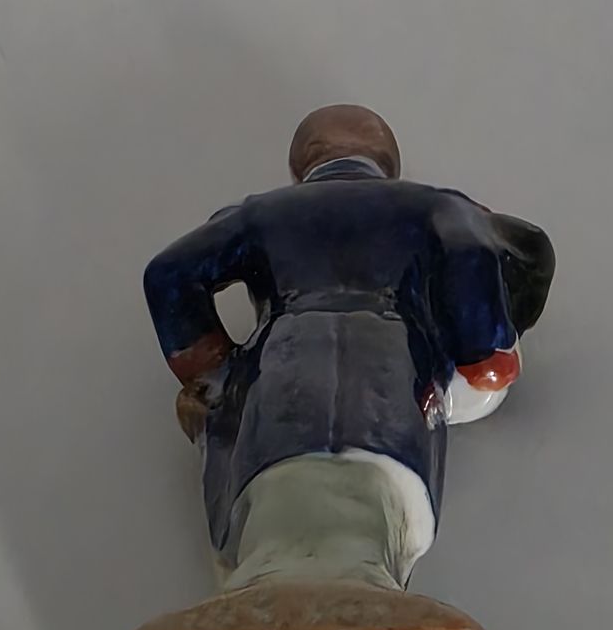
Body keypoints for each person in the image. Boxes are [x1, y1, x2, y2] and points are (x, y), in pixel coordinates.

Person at [143, 104, 555, 590]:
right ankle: (363, 591)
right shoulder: (434, 206)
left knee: (276, 497)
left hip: (283, 365)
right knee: (378, 492)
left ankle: (269, 588)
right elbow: (482, 254)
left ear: (299, 167)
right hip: (392, 368)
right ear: (389, 165)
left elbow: (168, 274)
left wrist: (215, 370)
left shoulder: (261, 212)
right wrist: (483, 352)